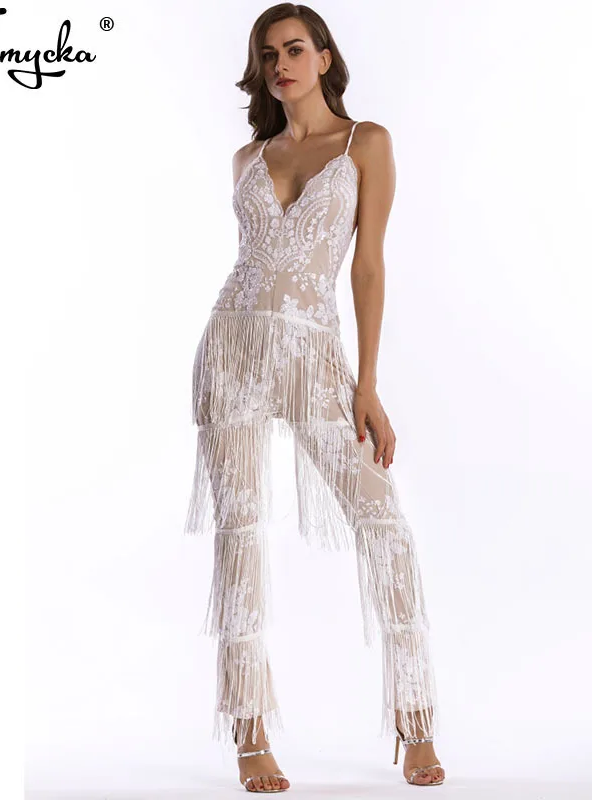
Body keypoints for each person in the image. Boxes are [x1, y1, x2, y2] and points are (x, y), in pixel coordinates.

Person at [184, 4, 446, 792]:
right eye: (268, 55)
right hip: (232, 348)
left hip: (314, 355)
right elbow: (252, 262)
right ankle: (250, 735)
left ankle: (416, 720)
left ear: (325, 57)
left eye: (295, 50)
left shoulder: (366, 143)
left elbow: (367, 266)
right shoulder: (248, 157)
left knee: (384, 525)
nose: (281, 66)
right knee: (239, 535)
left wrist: (367, 385)